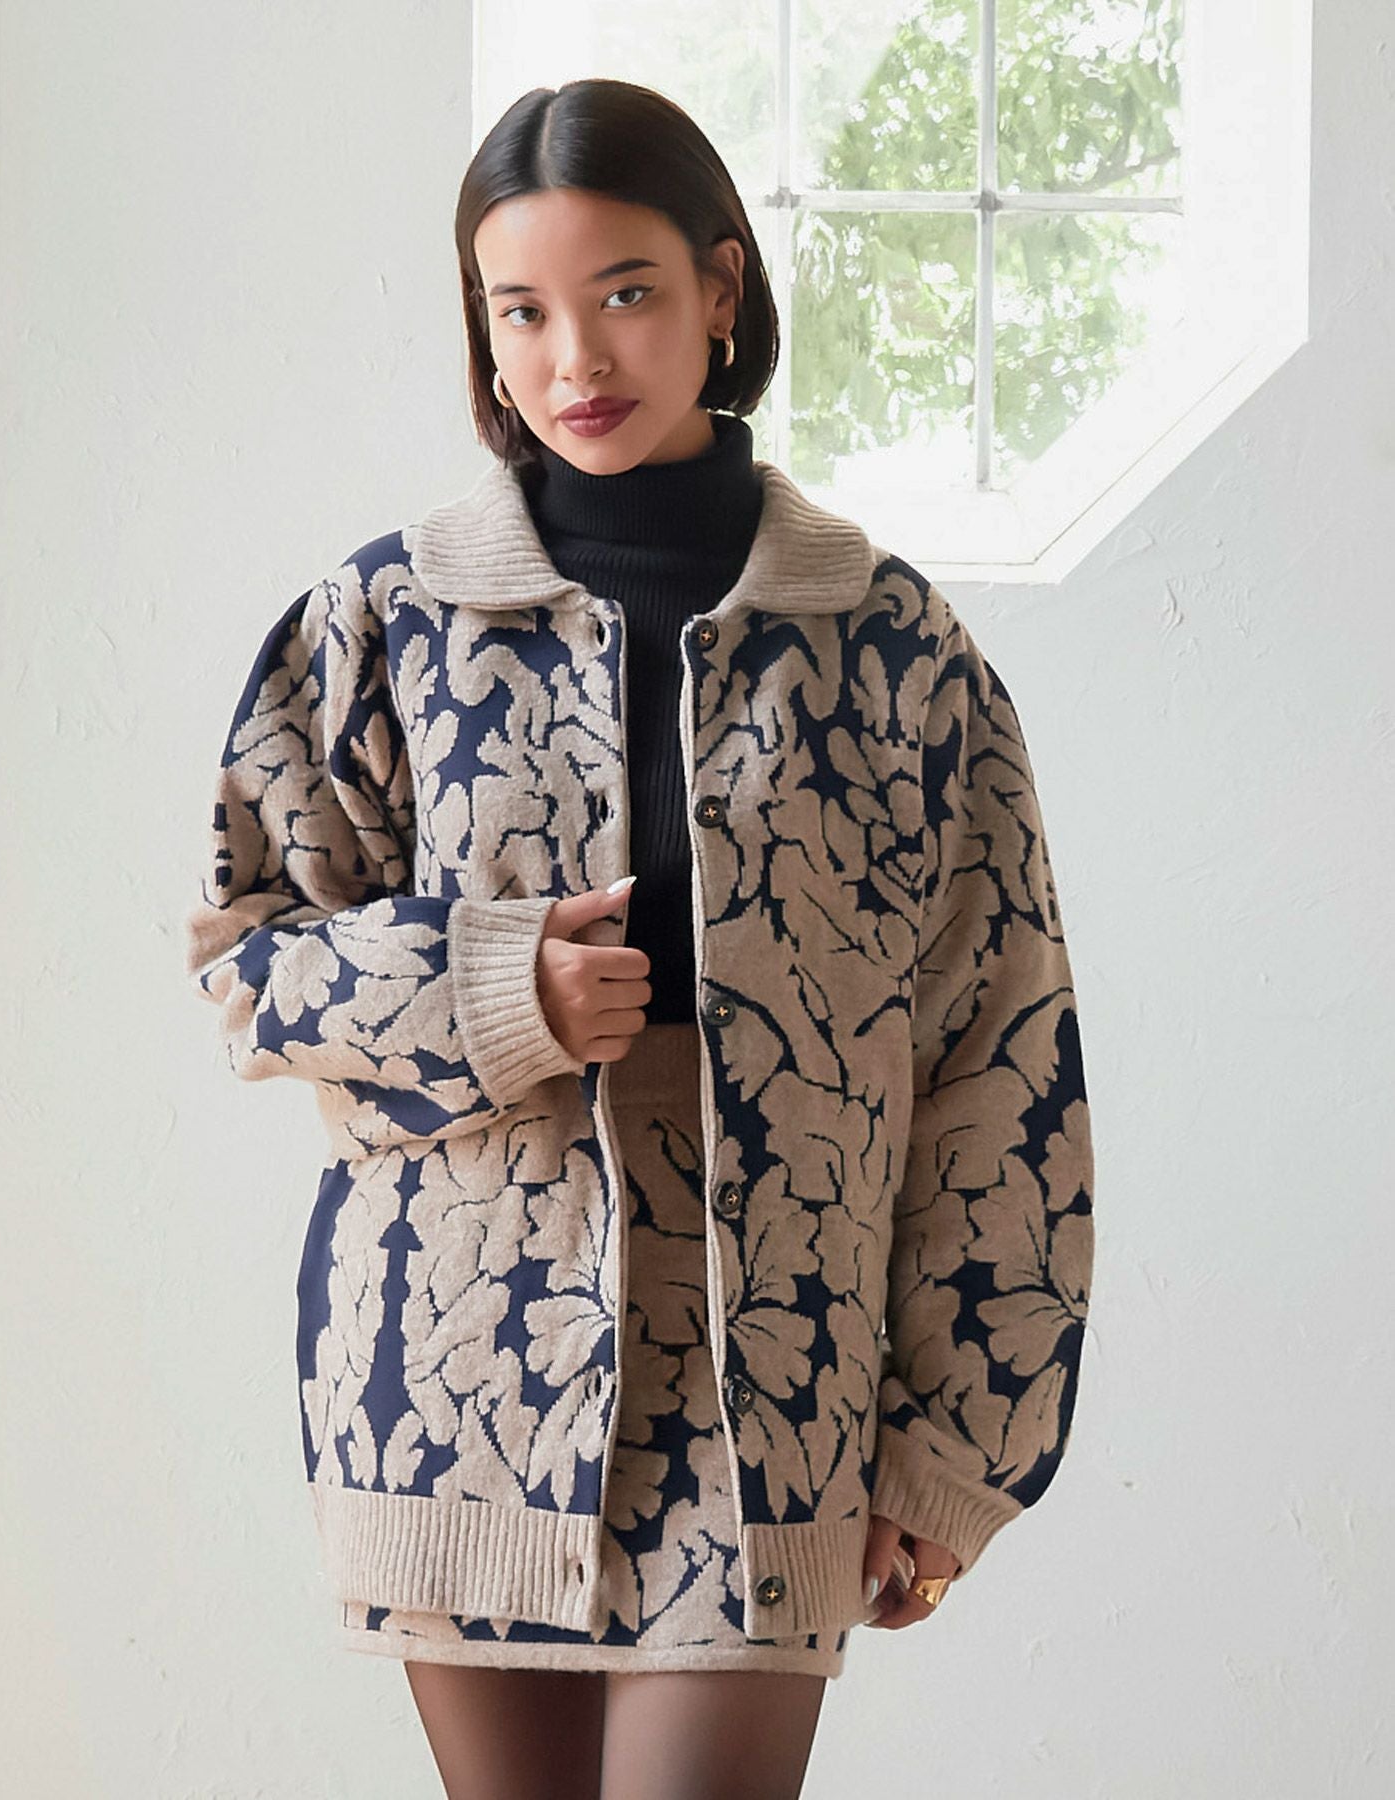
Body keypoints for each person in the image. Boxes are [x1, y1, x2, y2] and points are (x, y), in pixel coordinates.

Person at [185, 77, 1095, 1800]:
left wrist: (959, 1444)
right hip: (462, 1376)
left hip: (779, 1381)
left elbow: (1004, 1057)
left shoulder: (894, 648)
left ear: (721, 289)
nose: (573, 358)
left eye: (624, 294)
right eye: (520, 311)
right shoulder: (385, 623)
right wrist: (494, 988)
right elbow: (250, 962)